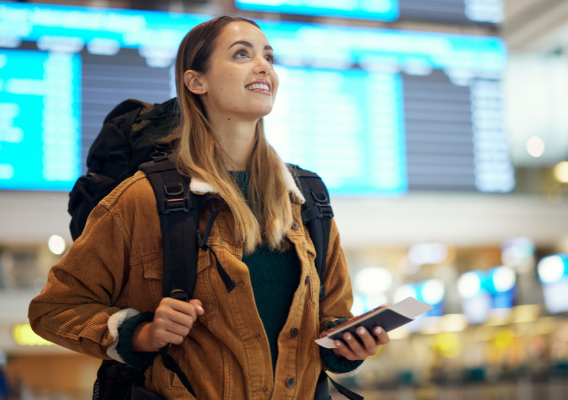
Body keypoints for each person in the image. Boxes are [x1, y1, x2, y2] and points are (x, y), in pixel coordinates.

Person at [28, 16, 389, 399]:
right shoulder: (144, 198)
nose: (264, 66)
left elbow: (331, 316)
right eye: (241, 54)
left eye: (268, 56)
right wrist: (143, 333)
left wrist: (346, 348)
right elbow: (53, 309)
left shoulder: (305, 198)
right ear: (195, 82)